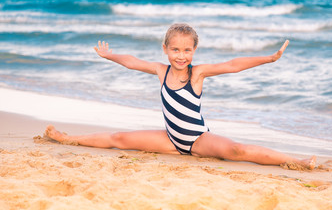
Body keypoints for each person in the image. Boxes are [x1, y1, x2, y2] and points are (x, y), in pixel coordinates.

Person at [46, 23, 316, 169]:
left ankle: (294, 161)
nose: (181, 55)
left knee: (237, 150)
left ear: (194, 51)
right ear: (165, 49)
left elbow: (233, 65)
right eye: (175, 49)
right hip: (170, 140)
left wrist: (269, 58)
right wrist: (110, 55)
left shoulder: (197, 74)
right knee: (118, 138)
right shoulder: (160, 71)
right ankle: (68, 138)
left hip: (198, 140)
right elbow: (131, 61)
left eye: (187, 50)